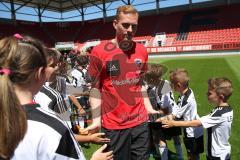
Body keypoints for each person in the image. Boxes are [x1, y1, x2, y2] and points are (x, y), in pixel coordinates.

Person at [0, 35, 113, 160]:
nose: (58, 67)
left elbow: (74, 91)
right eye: (53, 65)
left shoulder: (60, 83)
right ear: (39, 73)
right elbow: (58, 133)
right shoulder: (49, 124)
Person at [85, 5, 158, 160]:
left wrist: (149, 108)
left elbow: (140, 84)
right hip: (114, 126)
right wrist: (96, 120)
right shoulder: (99, 51)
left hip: (141, 123)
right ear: (115, 24)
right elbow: (95, 88)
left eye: (134, 26)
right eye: (125, 25)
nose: (130, 30)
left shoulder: (142, 50)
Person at [161, 77, 233, 160]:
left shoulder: (219, 113)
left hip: (217, 155)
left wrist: (173, 123)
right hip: (222, 152)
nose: (206, 94)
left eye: (209, 93)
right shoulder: (228, 109)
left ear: (221, 96)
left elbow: (197, 123)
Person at [143, 64, 183, 160]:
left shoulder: (162, 88)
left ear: (152, 79)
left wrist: (151, 114)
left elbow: (166, 109)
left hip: (169, 115)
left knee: (170, 137)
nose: (146, 80)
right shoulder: (160, 83)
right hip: (164, 114)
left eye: (147, 79)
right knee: (161, 137)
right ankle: (161, 155)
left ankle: (178, 157)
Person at [164, 68, 204, 160]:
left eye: (172, 84)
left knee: (192, 156)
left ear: (178, 85)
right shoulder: (186, 92)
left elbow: (176, 116)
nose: (171, 86)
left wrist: (163, 119)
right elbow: (177, 108)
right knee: (193, 155)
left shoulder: (186, 99)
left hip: (192, 133)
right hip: (194, 129)